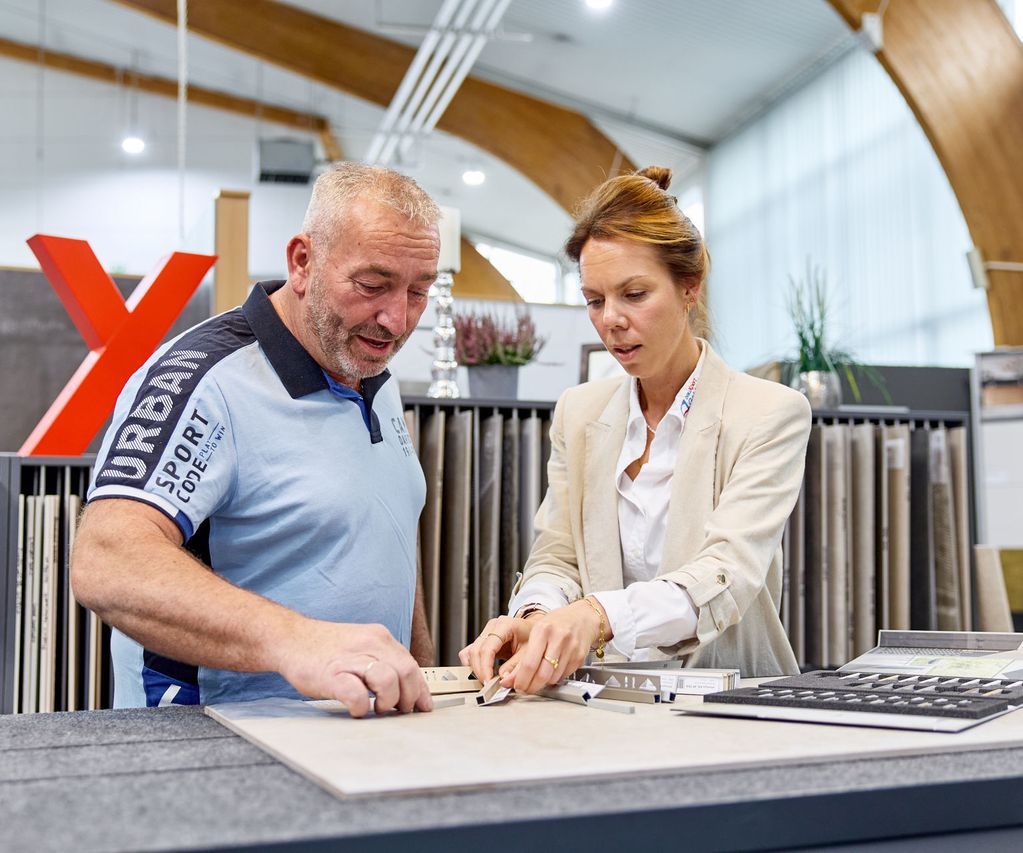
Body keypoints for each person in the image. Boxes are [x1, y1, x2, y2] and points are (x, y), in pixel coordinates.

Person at [72, 163, 440, 717]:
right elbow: (107, 560)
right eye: (372, 285)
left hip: (358, 728)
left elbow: (386, 527)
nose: (395, 318)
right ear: (302, 261)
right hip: (218, 735)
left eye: (419, 292)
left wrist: (421, 664)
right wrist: (299, 641)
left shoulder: (367, 368)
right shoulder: (206, 381)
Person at [461, 166, 811, 694]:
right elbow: (557, 553)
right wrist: (537, 616)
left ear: (689, 287)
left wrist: (595, 616)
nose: (611, 321)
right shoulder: (579, 413)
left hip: (731, 701)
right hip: (604, 701)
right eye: (595, 300)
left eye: (634, 294)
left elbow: (727, 574)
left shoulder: (768, 412)